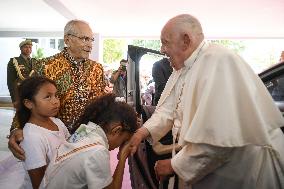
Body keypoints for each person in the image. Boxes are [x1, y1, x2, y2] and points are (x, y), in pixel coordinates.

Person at [129, 14, 284, 189]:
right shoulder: (184, 67)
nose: (162, 49)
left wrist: (174, 165)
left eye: (165, 42)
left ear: (186, 40)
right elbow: (169, 109)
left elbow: (217, 142)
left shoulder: (218, 62)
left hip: (241, 171)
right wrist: (142, 132)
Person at [8, 19, 106, 161]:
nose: (90, 44)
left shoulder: (96, 69)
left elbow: (100, 103)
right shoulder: (46, 66)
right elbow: (27, 99)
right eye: (84, 39)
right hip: (52, 141)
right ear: (67, 40)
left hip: (86, 141)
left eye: (91, 40)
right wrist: (16, 128)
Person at [40, 94, 137, 189]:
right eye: (124, 140)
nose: (119, 145)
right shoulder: (97, 151)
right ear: (116, 130)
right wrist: (123, 156)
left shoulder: (86, 130)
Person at [17, 76, 70, 189]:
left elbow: (70, 147)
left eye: (56, 95)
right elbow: (40, 184)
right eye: (47, 97)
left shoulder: (57, 122)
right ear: (29, 103)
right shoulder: (32, 136)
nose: (55, 101)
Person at [7, 39, 37, 106]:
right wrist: (14, 99)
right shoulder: (14, 61)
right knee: (21, 114)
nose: (28, 49)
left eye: (30, 47)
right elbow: (10, 81)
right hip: (20, 93)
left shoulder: (34, 61)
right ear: (21, 48)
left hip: (33, 93)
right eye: (26, 47)